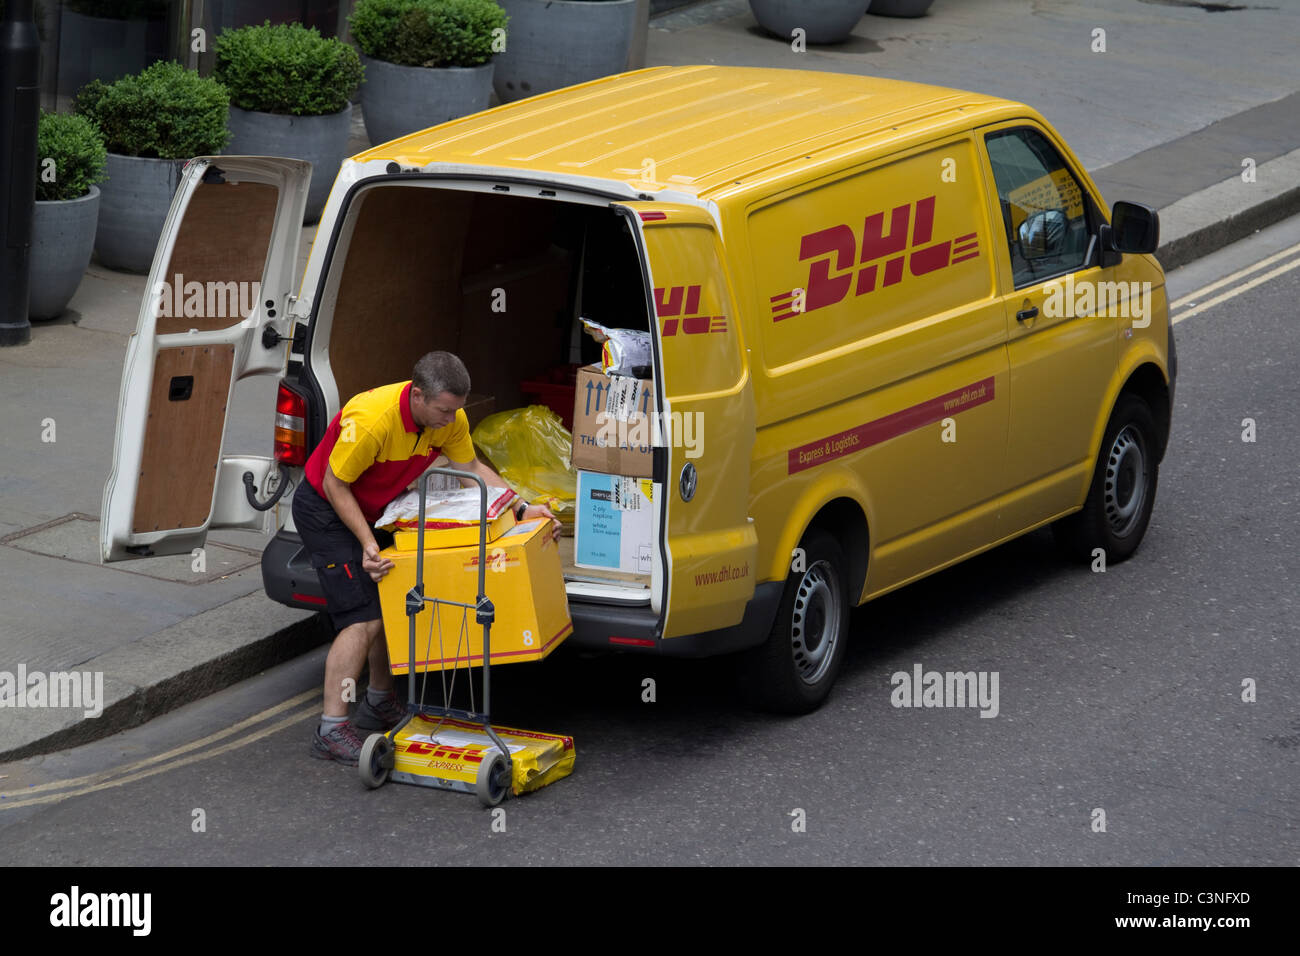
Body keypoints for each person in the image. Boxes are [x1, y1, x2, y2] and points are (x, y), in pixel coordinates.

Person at [294, 350, 559, 765]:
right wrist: (367, 544)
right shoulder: (372, 420)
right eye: (444, 411)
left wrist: (522, 507)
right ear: (417, 395)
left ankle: (379, 701)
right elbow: (334, 483)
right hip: (326, 508)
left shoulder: (448, 419)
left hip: (374, 507)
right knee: (361, 617)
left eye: (456, 411)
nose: (451, 421)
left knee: (392, 599)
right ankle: (331, 728)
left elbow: (471, 467)